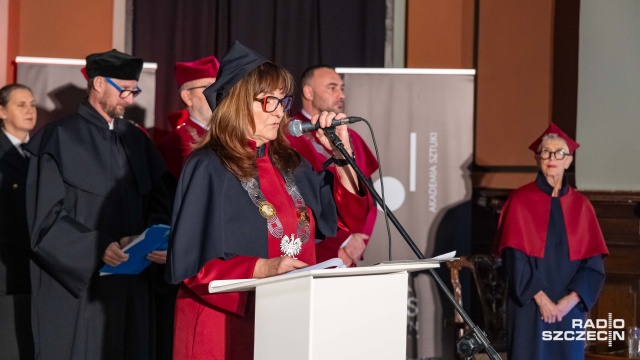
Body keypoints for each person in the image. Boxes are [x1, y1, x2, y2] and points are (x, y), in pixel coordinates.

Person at [166, 41, 372, 359]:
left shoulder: (291, 162)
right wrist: (263, 268)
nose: (280, 111)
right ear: (237, 103)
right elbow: (191, 265)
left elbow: (348, 217)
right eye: (269, 101)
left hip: (286, 318)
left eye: (282, 100)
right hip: (223, 322)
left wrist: (341, 156)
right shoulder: (208, 164)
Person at [24, 49, 172, 359]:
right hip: (80, 290)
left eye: (135, 90)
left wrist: (152, 238)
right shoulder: (57, 138)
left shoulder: (137, 140)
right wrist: (97, 247)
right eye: (125, 90)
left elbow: (160, 200)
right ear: (99, 83)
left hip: (133, 285)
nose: (131, 99)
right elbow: (44, 221)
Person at [494, 123, 608, 360]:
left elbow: (593, 265)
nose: (552, 157)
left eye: (559, 153)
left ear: (568, 161)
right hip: (530, 304)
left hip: (570, 307)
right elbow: (515, 259)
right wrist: (542, 299)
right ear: (538, 158)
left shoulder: (582, 206)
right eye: (546, 152)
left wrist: (568, 302)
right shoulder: (520, 200)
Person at [287, 65, 378, 266]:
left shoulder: (350, 136)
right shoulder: (287, 135)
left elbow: (369, 193)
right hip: (312, 252)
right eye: (332, 87)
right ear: (308, 92)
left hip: (349, 256)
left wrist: (360, 238)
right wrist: (343, 241)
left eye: (342, 88)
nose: (341, 94)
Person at [0, 84, 36, 359]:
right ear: (2, 111)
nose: (30, 111)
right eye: (21, 105)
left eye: (32, 104)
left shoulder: (39, 153)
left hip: (34, 269)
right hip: (5, 272)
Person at [157, 55, 220, 180]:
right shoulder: (174, 144)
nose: (217, 93)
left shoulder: (233, 134)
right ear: (187, 97)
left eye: (219, 87)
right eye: (208, 87)